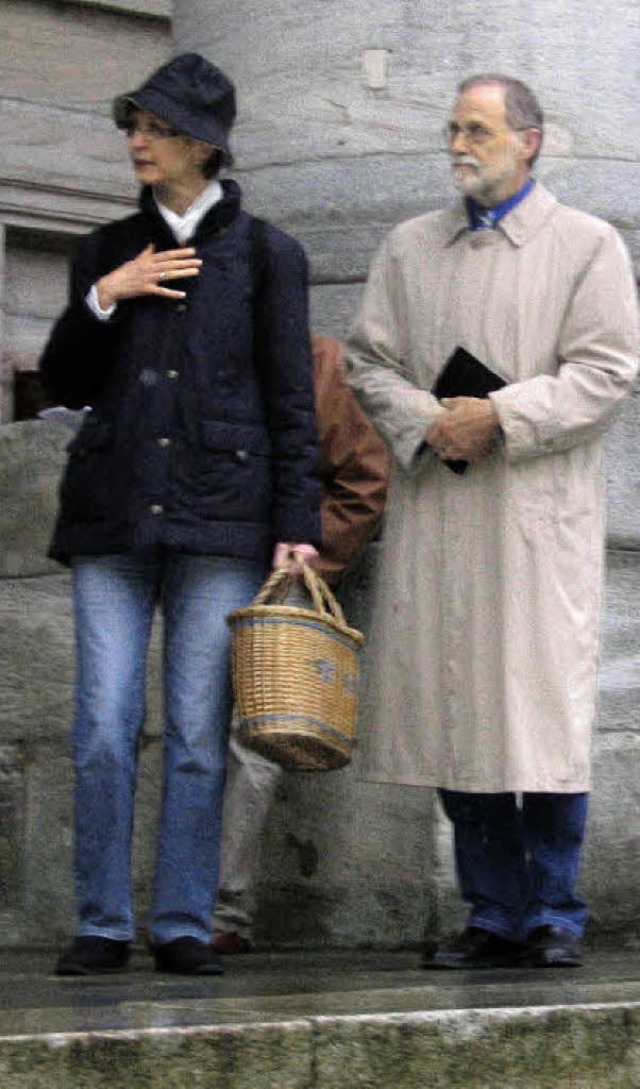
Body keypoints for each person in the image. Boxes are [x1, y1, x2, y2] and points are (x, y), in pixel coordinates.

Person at [345, 74, 639, 969]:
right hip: (443, 507)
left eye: (477, 129)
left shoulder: (587, 245)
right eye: (453, 129)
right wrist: (427, 418)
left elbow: (607, 370)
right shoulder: (409, 247)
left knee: (540, 722)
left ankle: (553, 910)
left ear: (529, 140)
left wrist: (502, 414)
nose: (459, 145)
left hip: (533, 516)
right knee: (456, 712)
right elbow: (369, 358)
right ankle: (489, 911)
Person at [39, 52, 321, 976]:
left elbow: (292, 399)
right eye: (134, 125)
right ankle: (102, 921)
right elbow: (68, 383)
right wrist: (103, 297)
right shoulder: (103, 246)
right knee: (102, 724)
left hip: (222, 520)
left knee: (202, 733)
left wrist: (297, 523)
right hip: (112, 519)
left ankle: (185, 922)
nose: (137, 141)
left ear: (203, 143)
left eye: (155, 128)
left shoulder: (270, 253)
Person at [212, 333, 391, 953]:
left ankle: (225, 913)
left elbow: (364, 481)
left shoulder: (318, 359)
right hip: (196, 563)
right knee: (187, 731)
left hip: (280, 569)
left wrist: (305, 563)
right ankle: (187, 905)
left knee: (254, 737)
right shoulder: (185, 354)